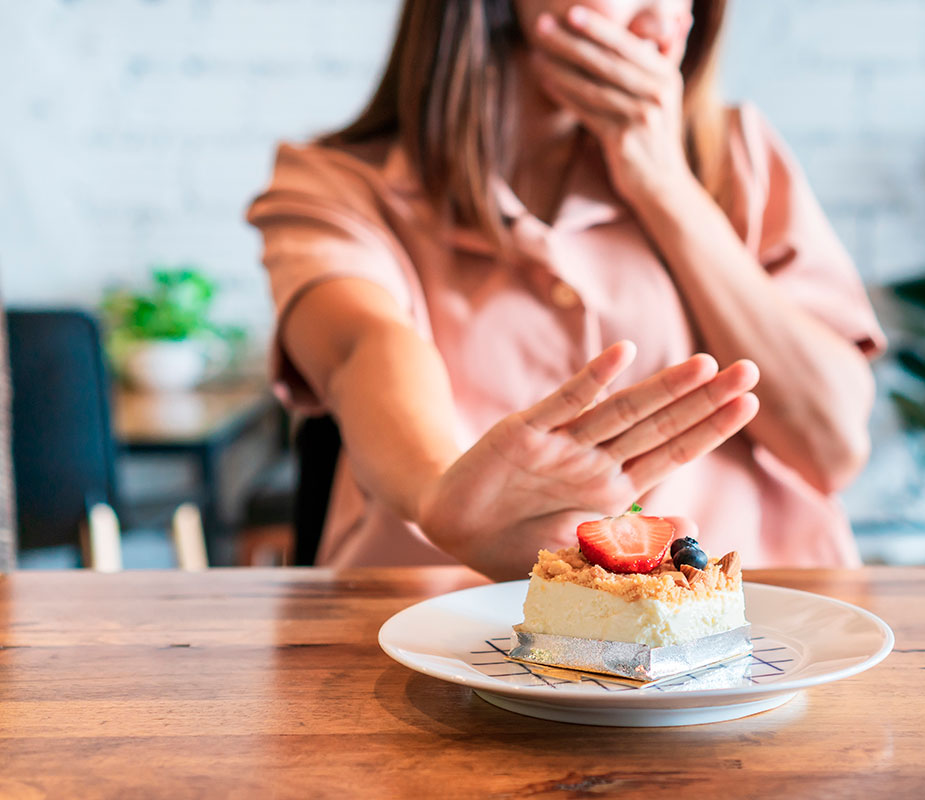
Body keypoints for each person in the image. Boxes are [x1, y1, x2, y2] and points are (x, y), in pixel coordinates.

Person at [247, 0, 885, 580]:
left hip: (759, 637)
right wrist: (438, 496)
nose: (665, 18)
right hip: (448, 642)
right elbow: (365, 346)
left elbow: (835, 446)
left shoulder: (739, 155)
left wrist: (664, 185)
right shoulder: (335, 186)